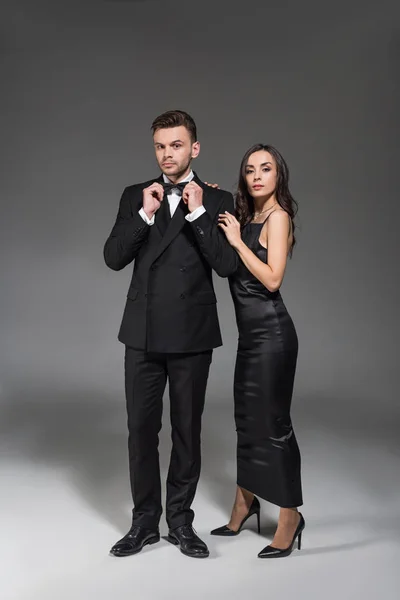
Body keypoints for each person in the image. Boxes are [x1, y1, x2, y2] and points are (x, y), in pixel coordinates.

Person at [103, 110, 238, 559]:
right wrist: (145, 213)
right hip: (141, 333)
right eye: (161, 146)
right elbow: (113, 257)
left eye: (176, 145)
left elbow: (226, 266)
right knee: (141, 431)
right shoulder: (134, 196)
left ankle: (180, 522)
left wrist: (198, 210)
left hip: (192, 333)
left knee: (187, 431)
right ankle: (144, 523)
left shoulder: (219, 200)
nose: (168, 154)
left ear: (194, 148)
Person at [210, 144, 305, 558]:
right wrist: (212, 200)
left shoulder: (279, 217)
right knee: (246, 422)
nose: (257, 176)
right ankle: (244, 504)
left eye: (265, 169)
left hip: (273, 336)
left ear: (278, 175)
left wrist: (236, 240)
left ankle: (289, 516)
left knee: (274, 426)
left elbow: (272, 279)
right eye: (250, 170)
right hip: (249, 339)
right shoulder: (247, 217)